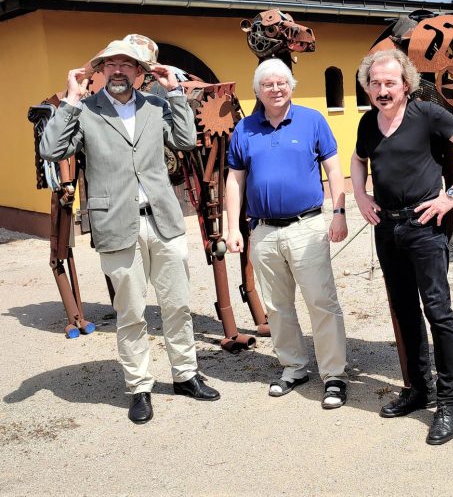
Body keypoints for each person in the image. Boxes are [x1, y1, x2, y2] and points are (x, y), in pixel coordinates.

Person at [39, 38, 220, 425]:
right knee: (132, 310)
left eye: (128, 64)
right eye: (111, 64)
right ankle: (140, 386)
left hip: (163, 219)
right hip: (116, 222)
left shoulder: (156, 105)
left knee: (176, 303)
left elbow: (187, 141)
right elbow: (51, 150)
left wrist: (175, 92)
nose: (119, 70)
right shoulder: (85, 110)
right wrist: (71, 99)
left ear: (141, 73)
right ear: (101, 71)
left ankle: (186, 374)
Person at [351, 48, 453, 445]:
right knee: (404, 311)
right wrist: (360, 196)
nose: (382, 90)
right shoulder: (367, 123)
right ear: (367, 86)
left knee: (438, 312)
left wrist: (451, 194)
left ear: (406, 84)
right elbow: (358, 159)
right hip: (387, 228)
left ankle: (449, 402)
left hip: (424, 226)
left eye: (389, 83)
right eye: (375, 83)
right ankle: (419, 389)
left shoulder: (426, 114)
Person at [224, 58, 349, 408]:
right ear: (257, 91)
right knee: (277, 307)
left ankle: (334, 374)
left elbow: (334, 169)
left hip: (306, 226)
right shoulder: (245, 129)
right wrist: (232, 227)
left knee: (321, 301)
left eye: (282, 83)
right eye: (268, 85)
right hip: (262, 231)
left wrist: (339, 213)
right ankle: (293, 367)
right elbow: (235, 180)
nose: (276, 89)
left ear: (291, 85)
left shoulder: (313, 120)